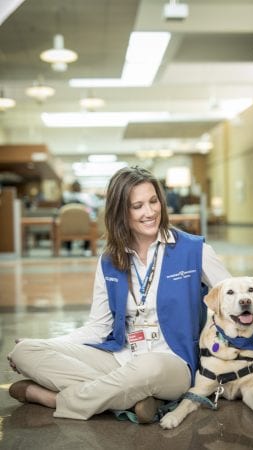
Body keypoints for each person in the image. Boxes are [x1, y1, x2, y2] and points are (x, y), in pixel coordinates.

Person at [7, 166, 232, 423]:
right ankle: (134, 397)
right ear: (120, 212)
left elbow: (237, 305)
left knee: (148, 369)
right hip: (120, 357)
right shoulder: (109, 260)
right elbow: (97, 327)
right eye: (137, 206)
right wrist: (50, 345)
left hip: (171, 361)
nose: (150, 212)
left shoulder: (195, 250)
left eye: (153, 201)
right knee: (25, 351)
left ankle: (52, 398)